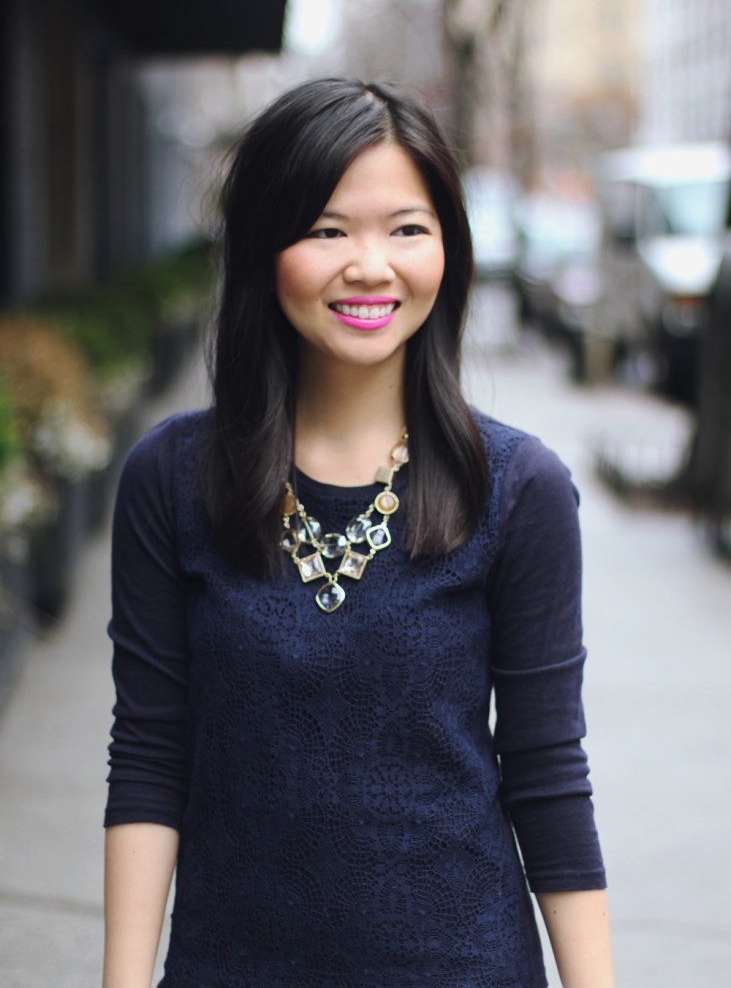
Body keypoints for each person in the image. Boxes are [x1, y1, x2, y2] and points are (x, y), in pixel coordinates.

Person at [103, 77, 614, 988]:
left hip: (463, 966)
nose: (370, 265)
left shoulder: (518, 489)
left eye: (407, 228)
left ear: (448, 252)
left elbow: (545, 770)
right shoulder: (170, 478)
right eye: (328, 229)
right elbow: (150, 752)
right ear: (264, 249)